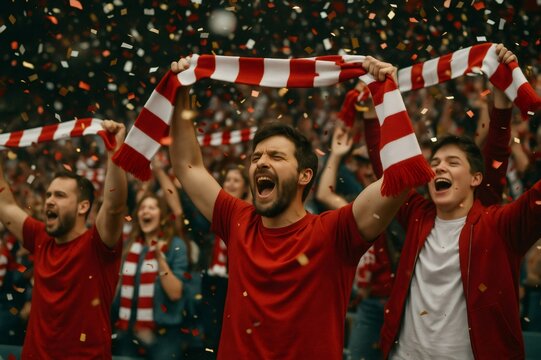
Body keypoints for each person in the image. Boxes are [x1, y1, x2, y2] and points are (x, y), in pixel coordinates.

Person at [168, 56, 421, 359]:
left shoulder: (335, 233)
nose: (261, 161)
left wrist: (386, 97)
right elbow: (187, 166)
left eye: (276, 157)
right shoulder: (237, 221)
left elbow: (400, 179)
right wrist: (181, 91)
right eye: (256, 157)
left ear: (305, 175)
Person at [365, 44, 541, 359]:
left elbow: (498, 160)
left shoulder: (499, 226)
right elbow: (388, 168)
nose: (439, 167)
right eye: (436, 162)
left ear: (476, 178)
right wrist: (374, 107)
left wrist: (501, 100)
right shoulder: (417, 215)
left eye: (452, 162)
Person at [0, 120, 127, 359]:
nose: (48, 200)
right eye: (48, 194)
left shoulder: (97, 246)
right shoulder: (40, 239)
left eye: (59, 195)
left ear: (83, 206)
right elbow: (4, 204)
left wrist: (115, 153)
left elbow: (114, 207)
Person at [316, 125, 404, 360]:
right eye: (361, 164)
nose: (366, 169)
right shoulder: (357, 211)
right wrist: (335, 154)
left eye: (370, 164)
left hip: (398, 304)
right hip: (368, 304)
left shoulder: (403, 208)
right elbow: (324, 194)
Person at [113, 181, 192, 359]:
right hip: (129, 332)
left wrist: (159, 259)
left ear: (162, 216)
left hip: (163, 336)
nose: (146, 212)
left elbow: (175, 293)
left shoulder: (175, 245)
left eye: (152, 208)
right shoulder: (129, 246)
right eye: (142, 208)